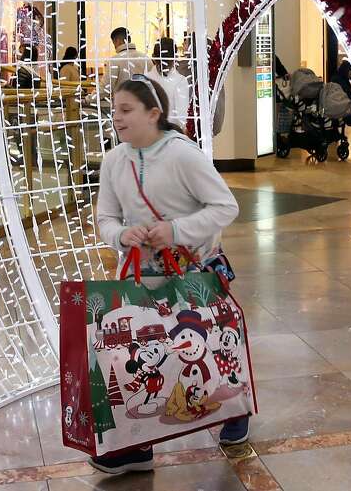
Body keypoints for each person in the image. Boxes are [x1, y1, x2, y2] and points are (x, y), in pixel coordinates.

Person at [91, 75, 247, 473]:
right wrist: (123, 235)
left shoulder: (183, 155)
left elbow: (225, 207)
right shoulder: (114, 160)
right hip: (141, 276)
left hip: (193, 270)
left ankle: (234, 411)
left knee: (208, 340)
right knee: (142, 355)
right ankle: (136, 446)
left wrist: (175, 231)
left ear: (153, 113)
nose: (117, 119)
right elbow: (105, 218)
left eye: (126, 110)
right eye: (114, 111)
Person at [147, 36, 191, 128]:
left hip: (151, 133)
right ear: (174, 58)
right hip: (172, 133)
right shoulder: (180, 81)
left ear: (153, 57)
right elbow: (182, 117)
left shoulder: (146, 79)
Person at [106, 27, 153, 107]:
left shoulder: (114, 60)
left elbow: (106, 87)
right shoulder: (145, 58)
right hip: (144, 105)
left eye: (114, 42)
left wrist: (88, 99)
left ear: (117, 41)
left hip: (124, 106)